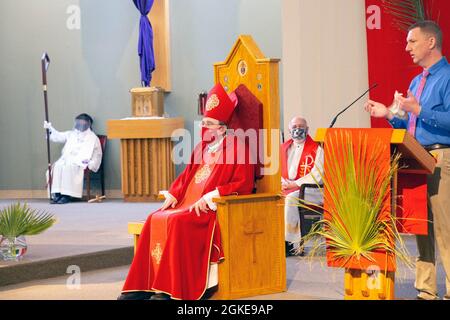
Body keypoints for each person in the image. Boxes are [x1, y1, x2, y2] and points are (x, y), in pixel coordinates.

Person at [118, 83, 255, 300]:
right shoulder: (202, 147)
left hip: (209, 209)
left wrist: (213, 195)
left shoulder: (240, 149)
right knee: (154, 217)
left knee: (177, 222)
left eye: (209, 124)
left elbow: (243, 184)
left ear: (221, 127)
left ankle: (171, 289)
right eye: (204, 122)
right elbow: (186, 176)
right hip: (186, 203)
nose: (204, 127)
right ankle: (142, 285)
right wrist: (174, 193)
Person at [364, 21, 450, 300]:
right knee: (421, 225)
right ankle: (426, 288)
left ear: (430, 43)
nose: (407, 47)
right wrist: (388, 115)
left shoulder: (447, 77)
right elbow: (411, 123)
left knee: (444, 227)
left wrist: (420, 109)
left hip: (440, 157)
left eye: (412, 41)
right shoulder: (417, 81)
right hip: (416, 157)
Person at [281, 117, 323, 256]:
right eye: (294, 126)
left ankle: (290, 242)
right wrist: (283, 183)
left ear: (307, 129)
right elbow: (277, 169)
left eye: (301, 126)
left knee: (291, 199)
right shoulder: (284, 148)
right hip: (287, 186)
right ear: (289, 130)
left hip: (311, 190)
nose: (297, 129)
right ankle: (276, 239)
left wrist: (295, 184)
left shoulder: (317, 149)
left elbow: (318, 174)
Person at [44, 113, 102, 204]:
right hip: (67, 159)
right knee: (58, 166)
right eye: (78, 123)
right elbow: (58, 136)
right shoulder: (71, 134)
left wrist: (92, 163)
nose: (80, 125)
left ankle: (66, 195)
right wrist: (50, 129)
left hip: (80, 161)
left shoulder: (93, 138)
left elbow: (98, 154)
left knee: (69, 167)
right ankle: (57, 194)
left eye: (82, 123)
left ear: (88, 124)